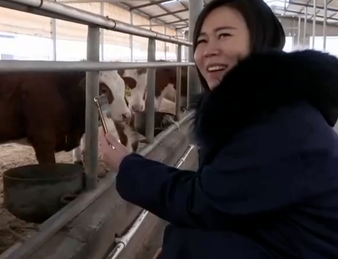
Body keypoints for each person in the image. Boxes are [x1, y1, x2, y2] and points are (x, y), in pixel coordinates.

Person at [98, 0, 338, 258]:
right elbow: (220, 193)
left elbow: (203, 202)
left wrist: (127, 165)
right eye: (201, 40)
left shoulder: (279, 122)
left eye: (224, 35)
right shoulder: (270, 106)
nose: (208, 50)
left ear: (261, 41)